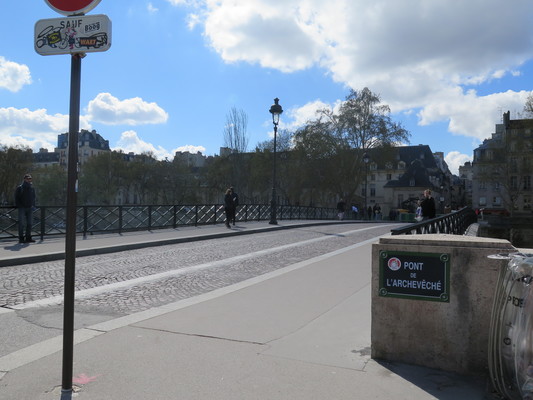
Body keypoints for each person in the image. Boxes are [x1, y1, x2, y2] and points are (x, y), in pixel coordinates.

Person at [14, 174, 36, 243]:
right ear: (24, 179)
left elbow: (34, 197)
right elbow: (16, 198)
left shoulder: (32, 188)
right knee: (21, 224)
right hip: (22, 208)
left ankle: (28, 237)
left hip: (30, 208)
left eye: (30, 178)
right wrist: (20, 206)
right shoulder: (20, 187)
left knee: (30, 223)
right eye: (28, 178)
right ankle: (21, 238)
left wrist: (33, 205)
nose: (29, 180)